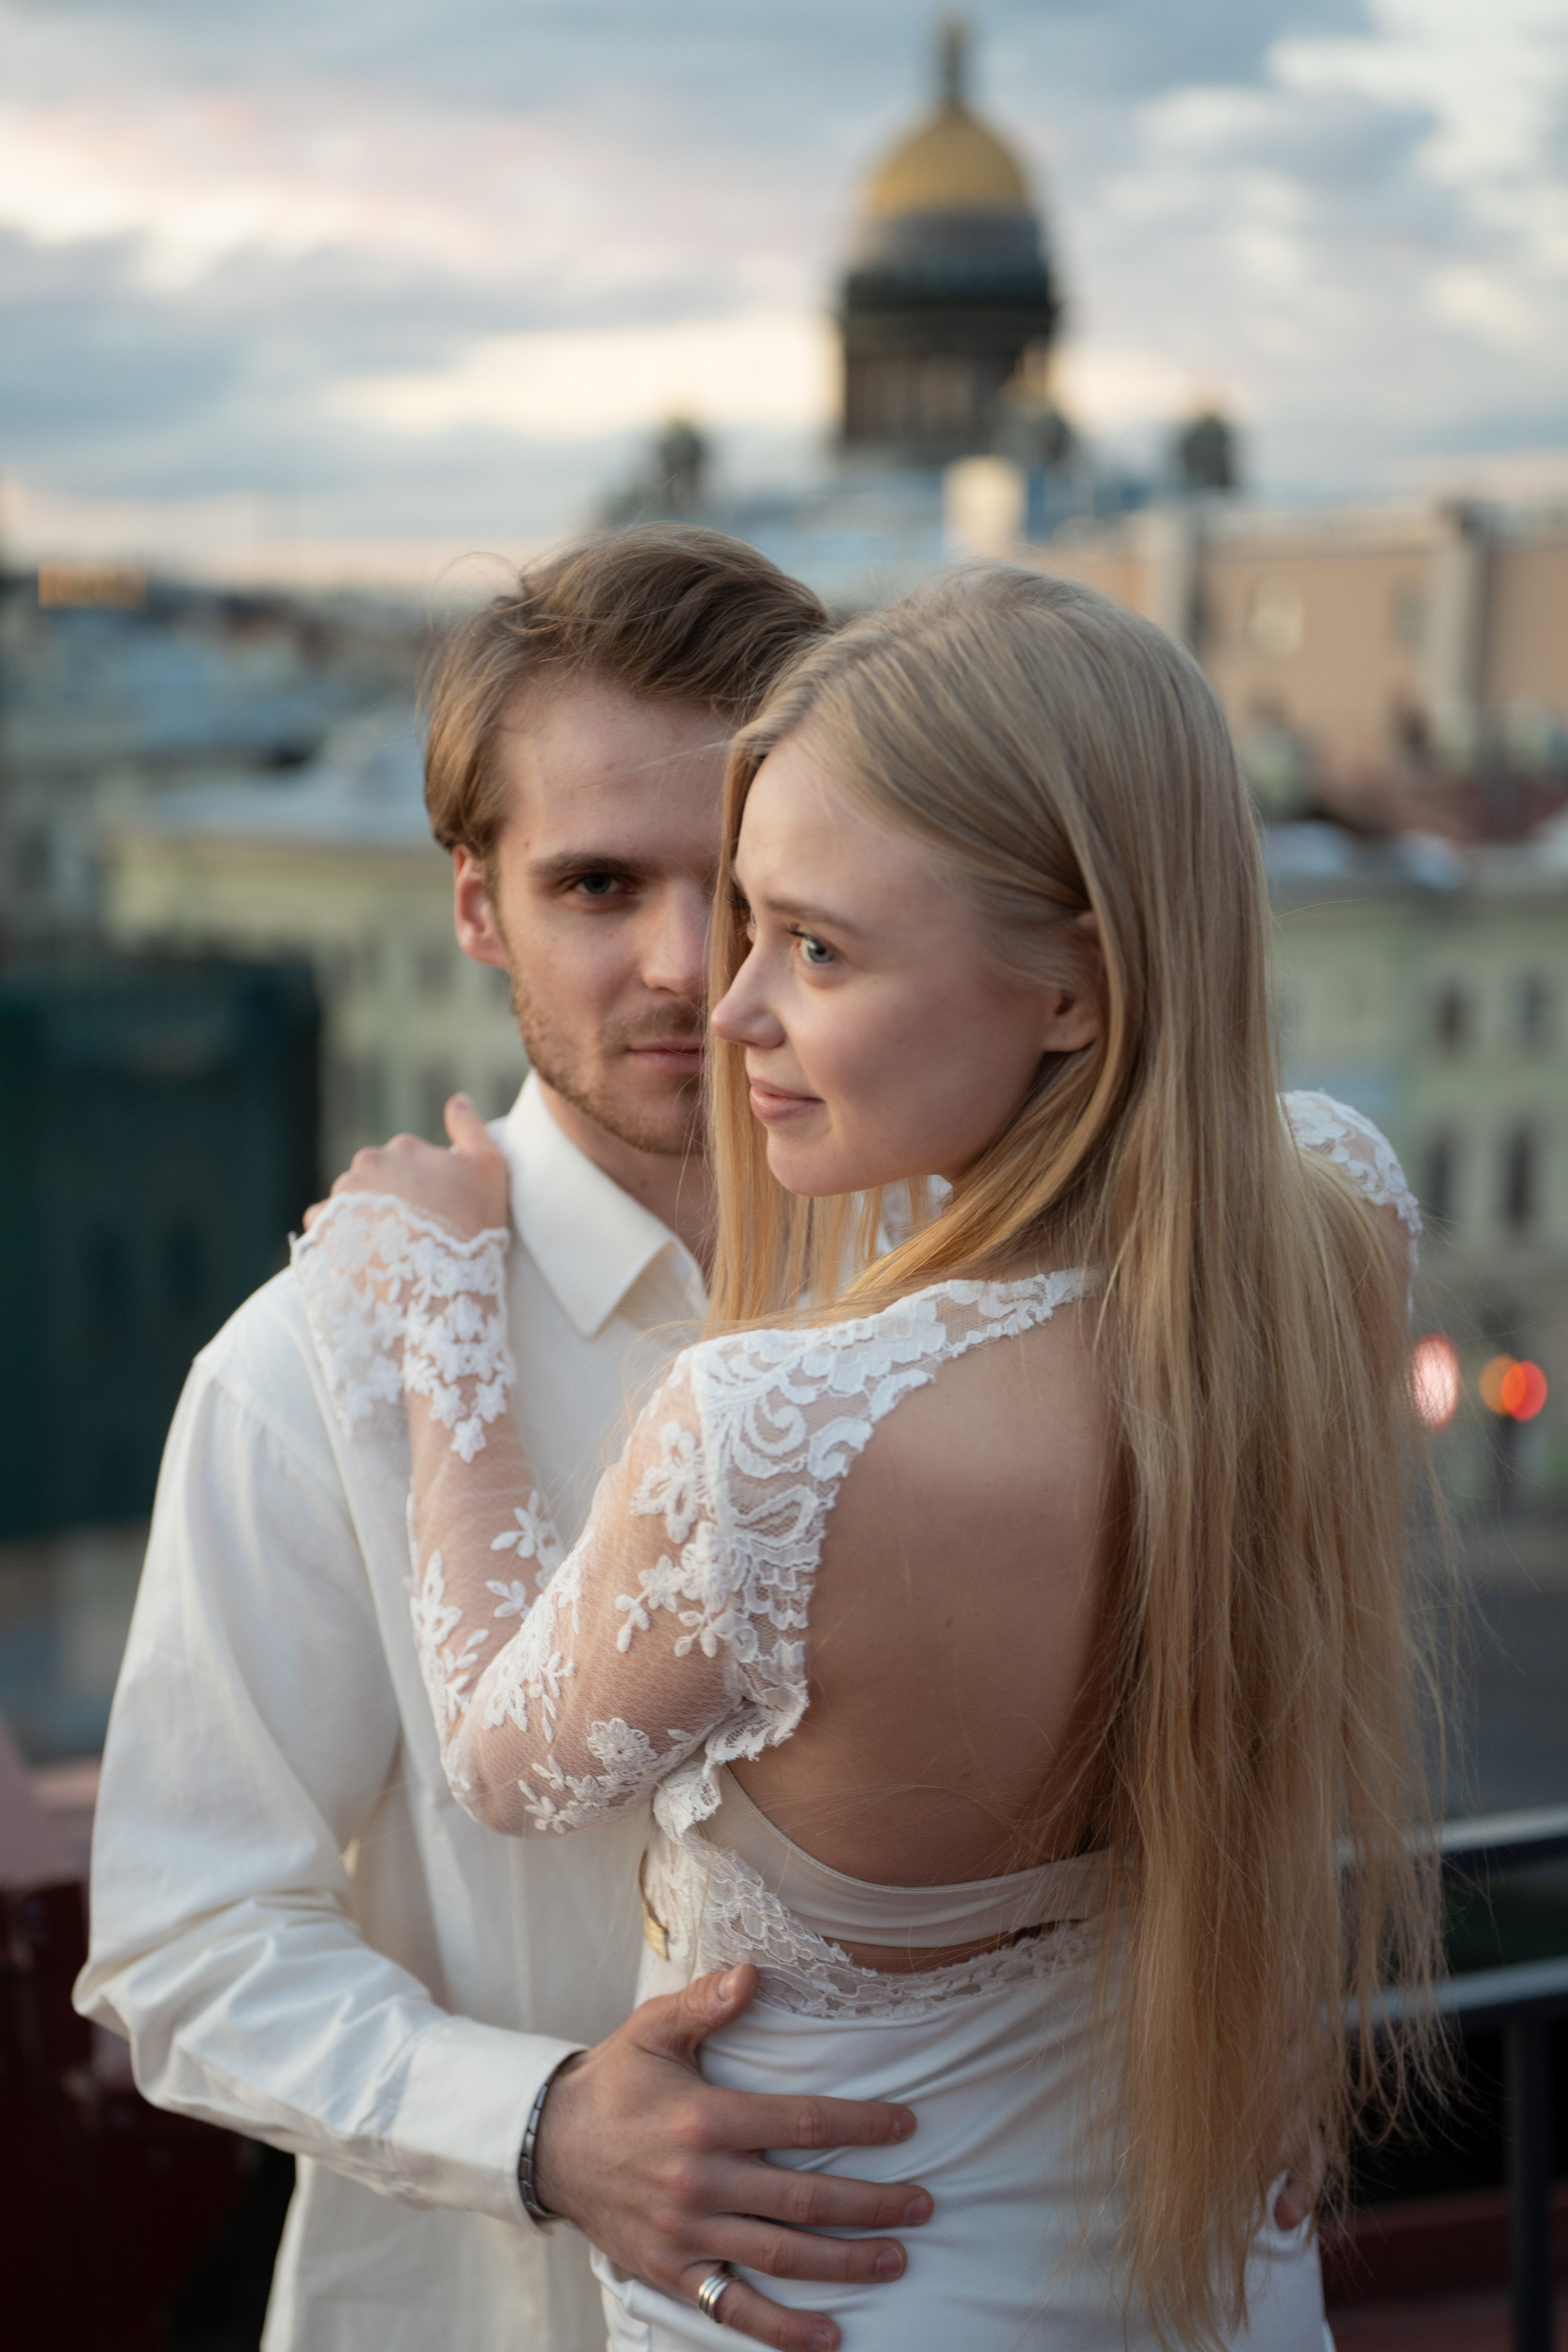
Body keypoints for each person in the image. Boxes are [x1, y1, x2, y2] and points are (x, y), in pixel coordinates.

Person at [298, 566, 1440, 2350]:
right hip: (1225, 2276)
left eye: (816, 949)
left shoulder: (779, 1434)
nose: (727, 1005)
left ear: (1077, 991)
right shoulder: (1337, 1222)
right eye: (747, 921)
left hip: (837, 2303)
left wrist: (445, 1315)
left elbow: (506, 1763)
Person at [76, 528, 935, 2352]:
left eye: (745, 884)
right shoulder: (301, 1372)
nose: (689, 966)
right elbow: (186, 1941)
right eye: (599, 885)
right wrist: (542, 2127)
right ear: (478, 906)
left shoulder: (979, 1297)